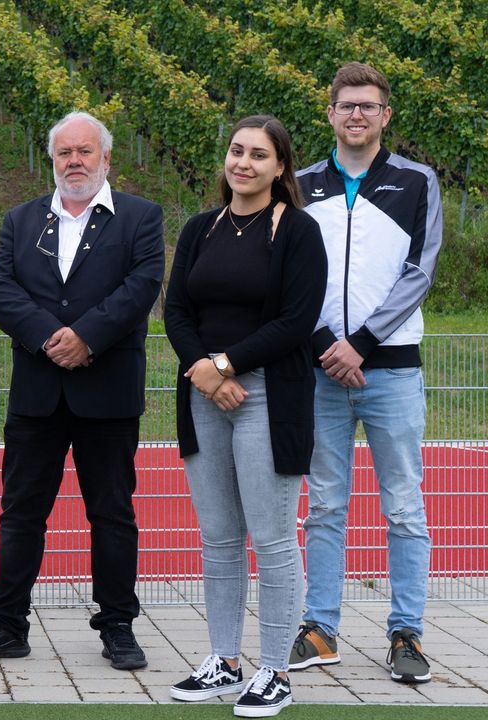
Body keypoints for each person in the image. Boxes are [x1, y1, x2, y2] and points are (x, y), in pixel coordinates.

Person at [0, 112, 163, 671]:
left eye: (85, 152)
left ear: (106, 159)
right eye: (64, 152)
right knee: (21, 513)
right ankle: (7, 624)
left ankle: (117, 624)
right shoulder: (22, 220)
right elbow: (0, 287)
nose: (74, 161)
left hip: (108, 393)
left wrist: (87, 338)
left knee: (112, 514)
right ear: (52, 160)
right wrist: (51, 337)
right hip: (38, 393)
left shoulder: (140, 218)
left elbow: (141, 286)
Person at [164, 115, 327, 717]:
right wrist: (205, 372)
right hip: (204, 392)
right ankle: (224, 661)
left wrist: (226, 366)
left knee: (274, 538)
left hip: (268, 395)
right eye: (236, 151)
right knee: (220, 538)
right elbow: (175, 310)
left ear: (280, 167)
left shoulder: (299, 233)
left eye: (259, 155)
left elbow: (296, 321)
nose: (244, 163)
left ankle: (275, 670)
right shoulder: (200, 228)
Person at [290, 62, 443, 685]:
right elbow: (289, 277)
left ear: (385, 115)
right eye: (346, 105)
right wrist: (331, 345)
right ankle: (320, 628)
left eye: (368, 106)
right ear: (330, 113)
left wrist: (364, 342)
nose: (356, 114)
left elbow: (421, 269)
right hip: (321, 369)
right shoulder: (300, 183)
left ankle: (406, 634)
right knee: (324, 506)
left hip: (393, 372)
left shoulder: (417, 181)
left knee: (404, 508)